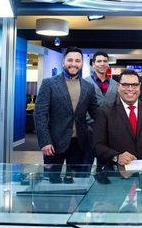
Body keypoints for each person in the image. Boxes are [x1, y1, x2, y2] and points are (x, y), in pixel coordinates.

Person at [34, 46, 98, 183]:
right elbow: (40, 114)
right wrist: (45, 141)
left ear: (82, 63)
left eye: (77, 61)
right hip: (53, 144)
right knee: (51, 181)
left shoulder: (89, 87)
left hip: (79, 144)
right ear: (63, 62)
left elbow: (96, 113)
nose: (73, 64)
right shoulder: (49, 84)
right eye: (70, 60)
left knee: (74, 182)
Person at [84, 51, 119, 164]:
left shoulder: (115, 84)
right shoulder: (84, 82)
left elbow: (117, 106)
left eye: (105, 61)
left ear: (108, 64)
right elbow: (81, 106)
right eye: (99, 61)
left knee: (105, 164)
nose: (102, 64)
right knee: (86, 163)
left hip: (109, 132)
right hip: (89, 130)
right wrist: (93, 124)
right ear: (93, 64)